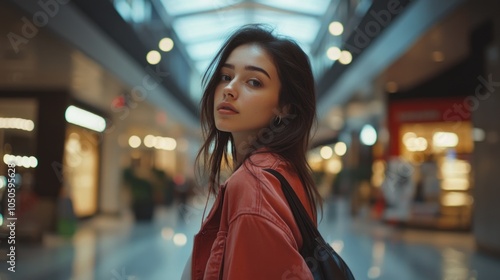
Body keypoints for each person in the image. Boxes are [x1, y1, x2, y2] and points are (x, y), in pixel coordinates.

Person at [182, 24, 322, 280]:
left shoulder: (253, 187)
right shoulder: (283, 170)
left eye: (254, 82)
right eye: (225, 76)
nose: (229, 89)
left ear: (284, 106)